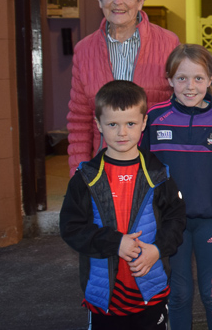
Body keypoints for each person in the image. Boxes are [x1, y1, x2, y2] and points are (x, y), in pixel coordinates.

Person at [60, 80, 186, 330]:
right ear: (98, 125)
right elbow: (71, 228)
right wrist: (115, 242)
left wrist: (157, 250)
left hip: (151, 295)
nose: (122, 133)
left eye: (130, 123)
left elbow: (176, 219)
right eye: (112, 125)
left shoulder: (158, 174)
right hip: (105, 300)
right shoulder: (86, 178)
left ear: (143, 124)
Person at [141, 44, 212, 329]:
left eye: (198, 78)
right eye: (182, 78)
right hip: (172, 225)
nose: (190, 86)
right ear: (168, 79)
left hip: (211, 223)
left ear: (211, 78)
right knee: (180, 294)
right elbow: (143, 176)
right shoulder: (154, 119)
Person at [67, 0, 180, 176]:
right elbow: (79, 121)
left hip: (154, 165)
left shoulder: (168, 43)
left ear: (140, 1)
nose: (118, 2)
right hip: (104, 168)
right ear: (100, 1)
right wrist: (79, 174)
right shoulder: (84, 51)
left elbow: (180, 108)